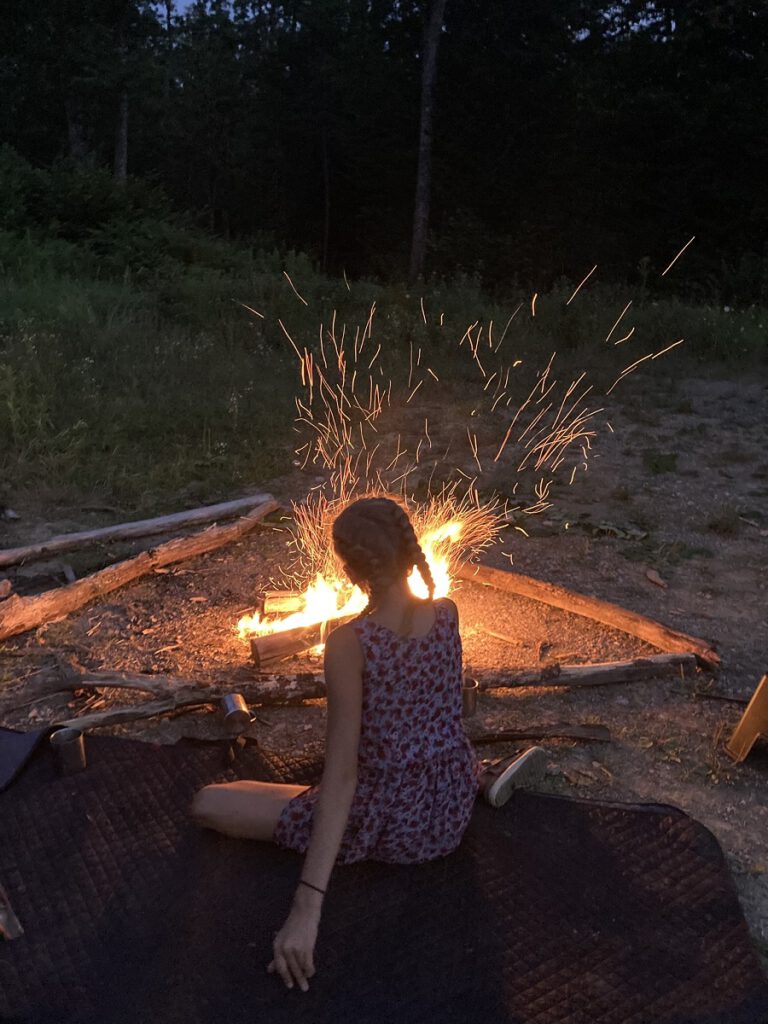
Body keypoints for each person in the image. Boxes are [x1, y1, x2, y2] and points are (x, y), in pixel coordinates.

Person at [191, 496, 546, 993]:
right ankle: (480, 778)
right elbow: (444, 711)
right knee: (302, 786)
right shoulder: (448, 613)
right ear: (407, 550)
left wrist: (305, 908)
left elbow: (341, 778)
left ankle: (471, 780)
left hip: (392, 820)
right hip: (448, 806)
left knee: (210, 802)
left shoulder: (349, 643)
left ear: (350, 567)